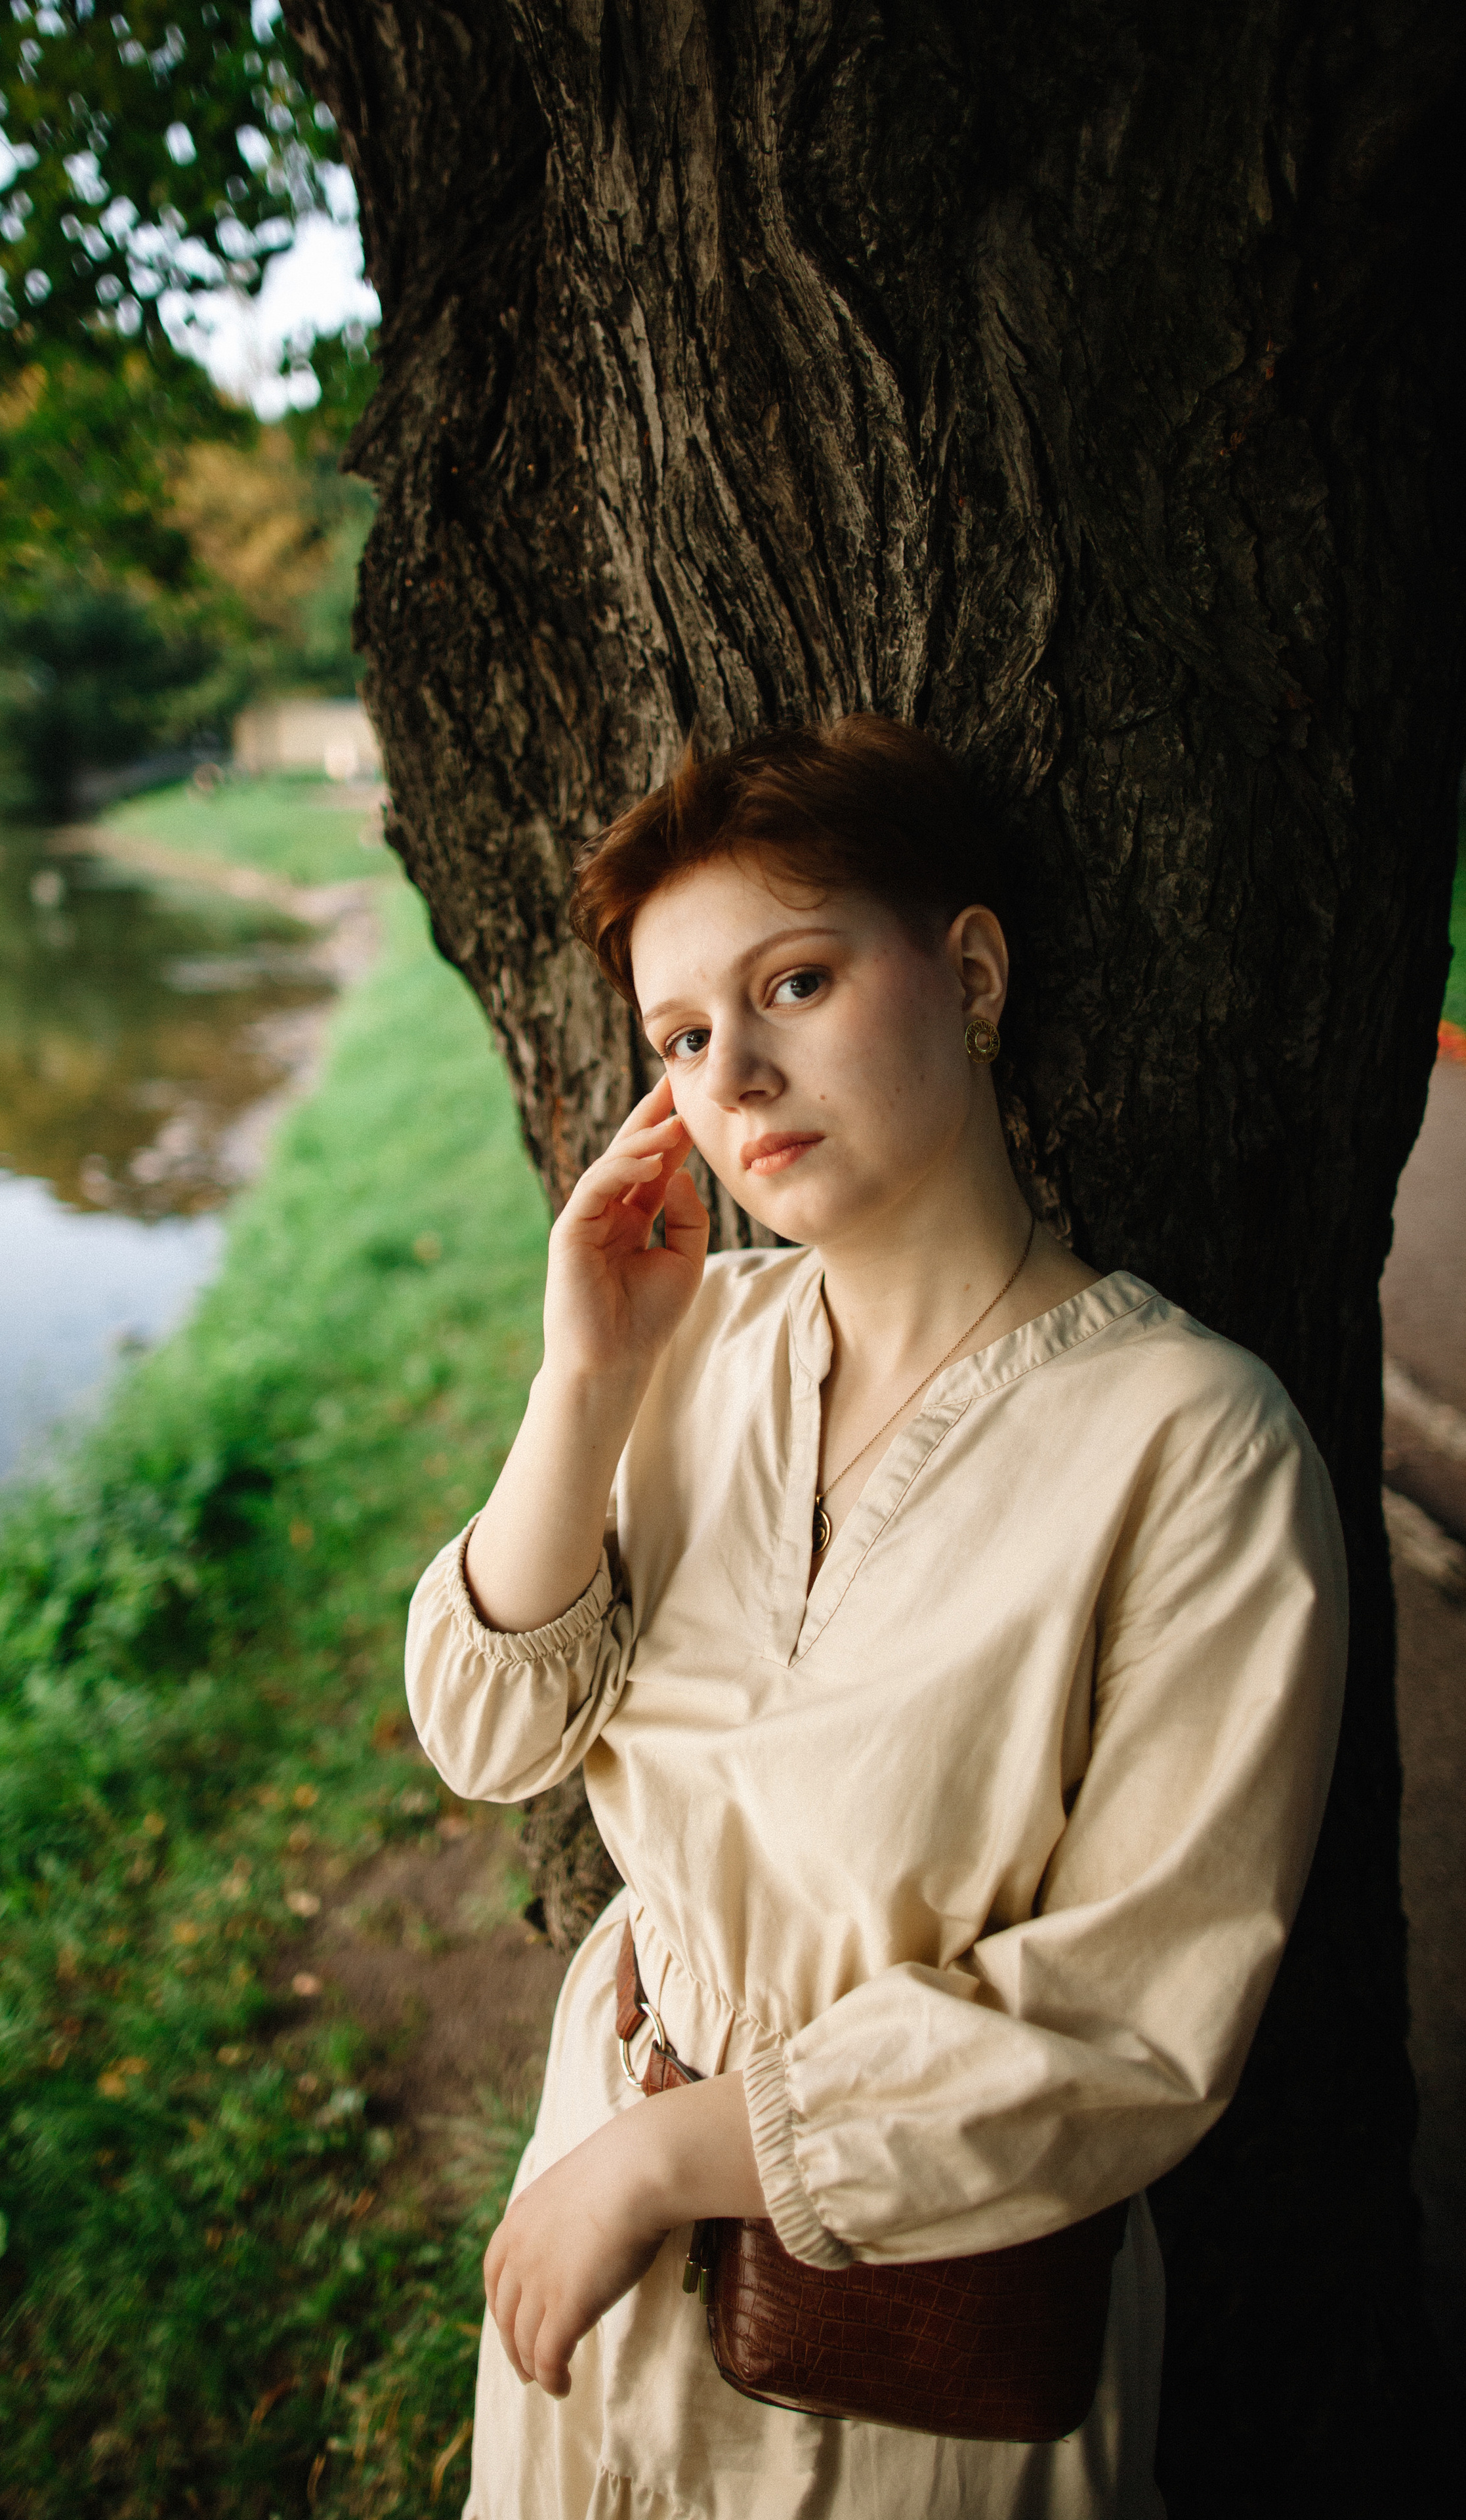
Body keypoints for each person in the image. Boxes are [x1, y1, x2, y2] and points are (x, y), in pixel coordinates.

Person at [405, 716, 1347, 2520]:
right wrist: (585, 1374)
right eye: (681, 1039)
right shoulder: (699, 1362)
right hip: (602, 2240)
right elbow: (491, 1732)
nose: (736, 1076)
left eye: (799, 982)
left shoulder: (1187, 1443)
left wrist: (668, 2163)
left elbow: (1140, 2014)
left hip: (915, 2336)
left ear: (971, 973)